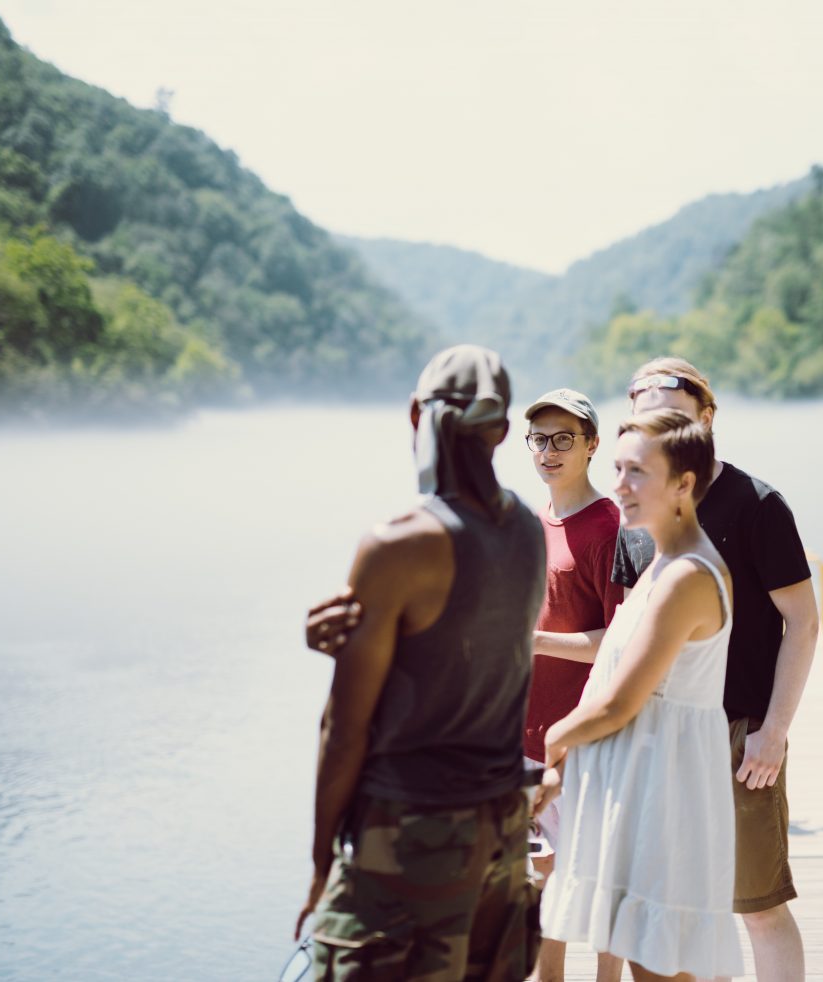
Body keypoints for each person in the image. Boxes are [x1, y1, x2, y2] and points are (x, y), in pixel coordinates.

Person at [294, 344, 547, 981]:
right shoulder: (527, 530)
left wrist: (323, 863)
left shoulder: (399, 543)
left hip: (410, 837)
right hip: (501, 834)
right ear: (504, 428)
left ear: (415, 415)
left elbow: (343, 728)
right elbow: (462, 643)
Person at [611, 358, 818, 982]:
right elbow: (631, 635)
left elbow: (803, 623)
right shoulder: (639, 510)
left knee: (758, 907)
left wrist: (774, 730)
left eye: (675, 417)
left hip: (737, 734)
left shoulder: (757, 505)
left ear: (706, 419)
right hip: (661, 736)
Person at [536, 407, 744, 982]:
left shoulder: (687, 577)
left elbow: (619, 703)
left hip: (665, 788)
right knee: (649, 952)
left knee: (662, 962)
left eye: (638, 473)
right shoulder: (659, 562)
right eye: (619, 469)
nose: (621, 486)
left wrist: (553, 743)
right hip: (634, 776)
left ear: (684, 484)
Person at [521, 389, 624, 982]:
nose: (550, 450)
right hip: (526, 737)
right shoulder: (531, 524)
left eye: (565, 438)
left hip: (587, 739)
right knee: (538, 891)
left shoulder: (609, 527)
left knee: (598, 888)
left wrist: (533, 641)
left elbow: (623, 640)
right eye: (540, 438)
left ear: (592, 445)